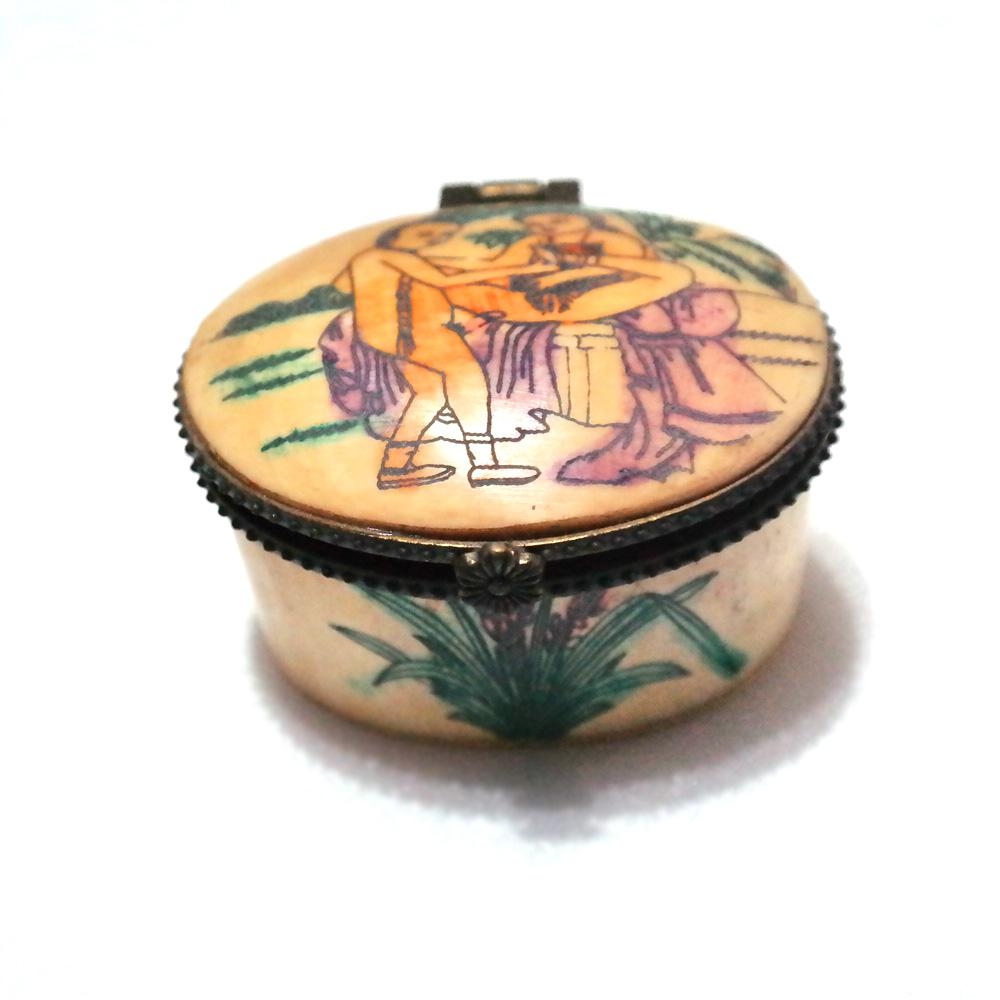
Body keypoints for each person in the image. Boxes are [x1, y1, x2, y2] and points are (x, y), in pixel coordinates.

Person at [327, 220, 556, 489]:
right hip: (411, 334)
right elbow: (444, 280)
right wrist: (525, 269)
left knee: (428, 395)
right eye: (425, 233)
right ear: (397, 234)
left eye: (440, 236)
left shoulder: (379, 260)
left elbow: (376, 289)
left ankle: (395, 466)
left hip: (395, 333)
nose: (431, 241)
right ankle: (484, 467)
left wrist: (460, 323)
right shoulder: (382, 255)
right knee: (470, 383)